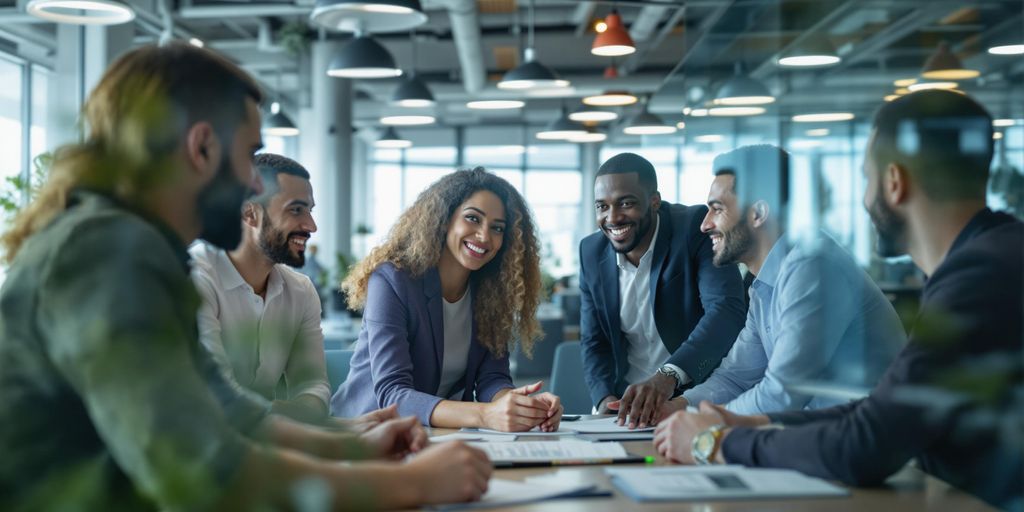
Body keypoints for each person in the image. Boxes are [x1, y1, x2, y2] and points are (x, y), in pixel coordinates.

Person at [0, 43, 491, 511]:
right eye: (249, 153)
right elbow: (205, 469)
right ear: (202, 147)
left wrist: (355, 446)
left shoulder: (132, 244)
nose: (253, 186)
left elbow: (225, 410)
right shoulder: (108, 251)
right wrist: (413, 481)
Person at [653, 90, 1023, 510]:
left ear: (894, 183)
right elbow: (878, 411)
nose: (865, 200)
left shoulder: (976, 278)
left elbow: (868, 439)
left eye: (866, 179)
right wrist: (739, 421)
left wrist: (717, 440)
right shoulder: (985, 262)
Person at [658, 145, 905, 417]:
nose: (704, 225)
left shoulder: (813, 266)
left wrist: (704, 423)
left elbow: (781, 395)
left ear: (758, 214)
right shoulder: (765, 284)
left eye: (717, 209)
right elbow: (736, 377)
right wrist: (676, 408)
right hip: (817, 438)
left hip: (860, 445)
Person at [331, 168, 564, 432]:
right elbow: (393, 394)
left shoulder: (492, 293)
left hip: (438, 435)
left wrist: (520, 406)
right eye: (473, 219)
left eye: (497, 228)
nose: (484, 236)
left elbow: (492, 379)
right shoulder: (393, 280)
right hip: (365, 435)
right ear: (444, 220)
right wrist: (485, 414)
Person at [578, 152, 747, 428]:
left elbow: (726, 310)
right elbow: (594, 342)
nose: (613, 217)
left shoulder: (693, 228)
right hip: (626, 408)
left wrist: (667, 377)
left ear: (654, 201)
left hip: (696, 398)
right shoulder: (591, 251)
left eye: (626, 203)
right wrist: (604, 401)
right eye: (602, 207)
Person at [191, 153, 331, 423]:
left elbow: (314, 387)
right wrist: (298, 414)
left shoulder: (300, 290)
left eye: (310, 211)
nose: (311, 226)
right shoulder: (196, 279)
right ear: (249, 213)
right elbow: (219, 399)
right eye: (295, 210)